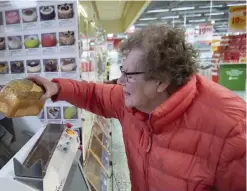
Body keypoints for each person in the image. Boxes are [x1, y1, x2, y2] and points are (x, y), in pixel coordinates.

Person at [28, 25, 246, 191]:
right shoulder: (134, 101)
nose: (119, 81)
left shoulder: (232, 127)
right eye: (122, 71)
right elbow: (93, 94)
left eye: (128, 75)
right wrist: (56, 88)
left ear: (161, 81)